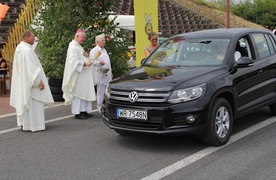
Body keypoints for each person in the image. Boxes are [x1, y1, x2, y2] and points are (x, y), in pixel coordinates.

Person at [10, 30, 54, 132]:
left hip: (23, 82)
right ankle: (35, 125)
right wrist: (39, 81)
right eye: (33, 37)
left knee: (26, 102)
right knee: (34, 104)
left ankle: (25, 124)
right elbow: (32, 69)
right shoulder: (27, 51)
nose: (34, 39)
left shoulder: (19, 49)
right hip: (31, 83)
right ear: (26, 38)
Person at [62, 29, 96, 119]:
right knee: (78, 93)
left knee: (83, 92)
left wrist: (87, 57)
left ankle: (83, 111)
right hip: (78, 74)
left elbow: (81, 57)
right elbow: (72, 61)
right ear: (77, 36)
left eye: (84, 38)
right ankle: (77, 112)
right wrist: (84, 63)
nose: (83, 39)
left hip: (83, 74)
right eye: (82, 37)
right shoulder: (73, 46)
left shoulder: (78, 46)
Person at [89, 34, 112, 113]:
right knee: (101, 91)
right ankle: (99, 106)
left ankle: (105, 105)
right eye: (103, 41)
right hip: (100, 74)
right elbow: (92, 61)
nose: (104, 42)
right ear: (98, 41)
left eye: (104, 40)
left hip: (107, 74)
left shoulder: (104, 50)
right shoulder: (94, 50)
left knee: (107, 91)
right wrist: (99, 62)